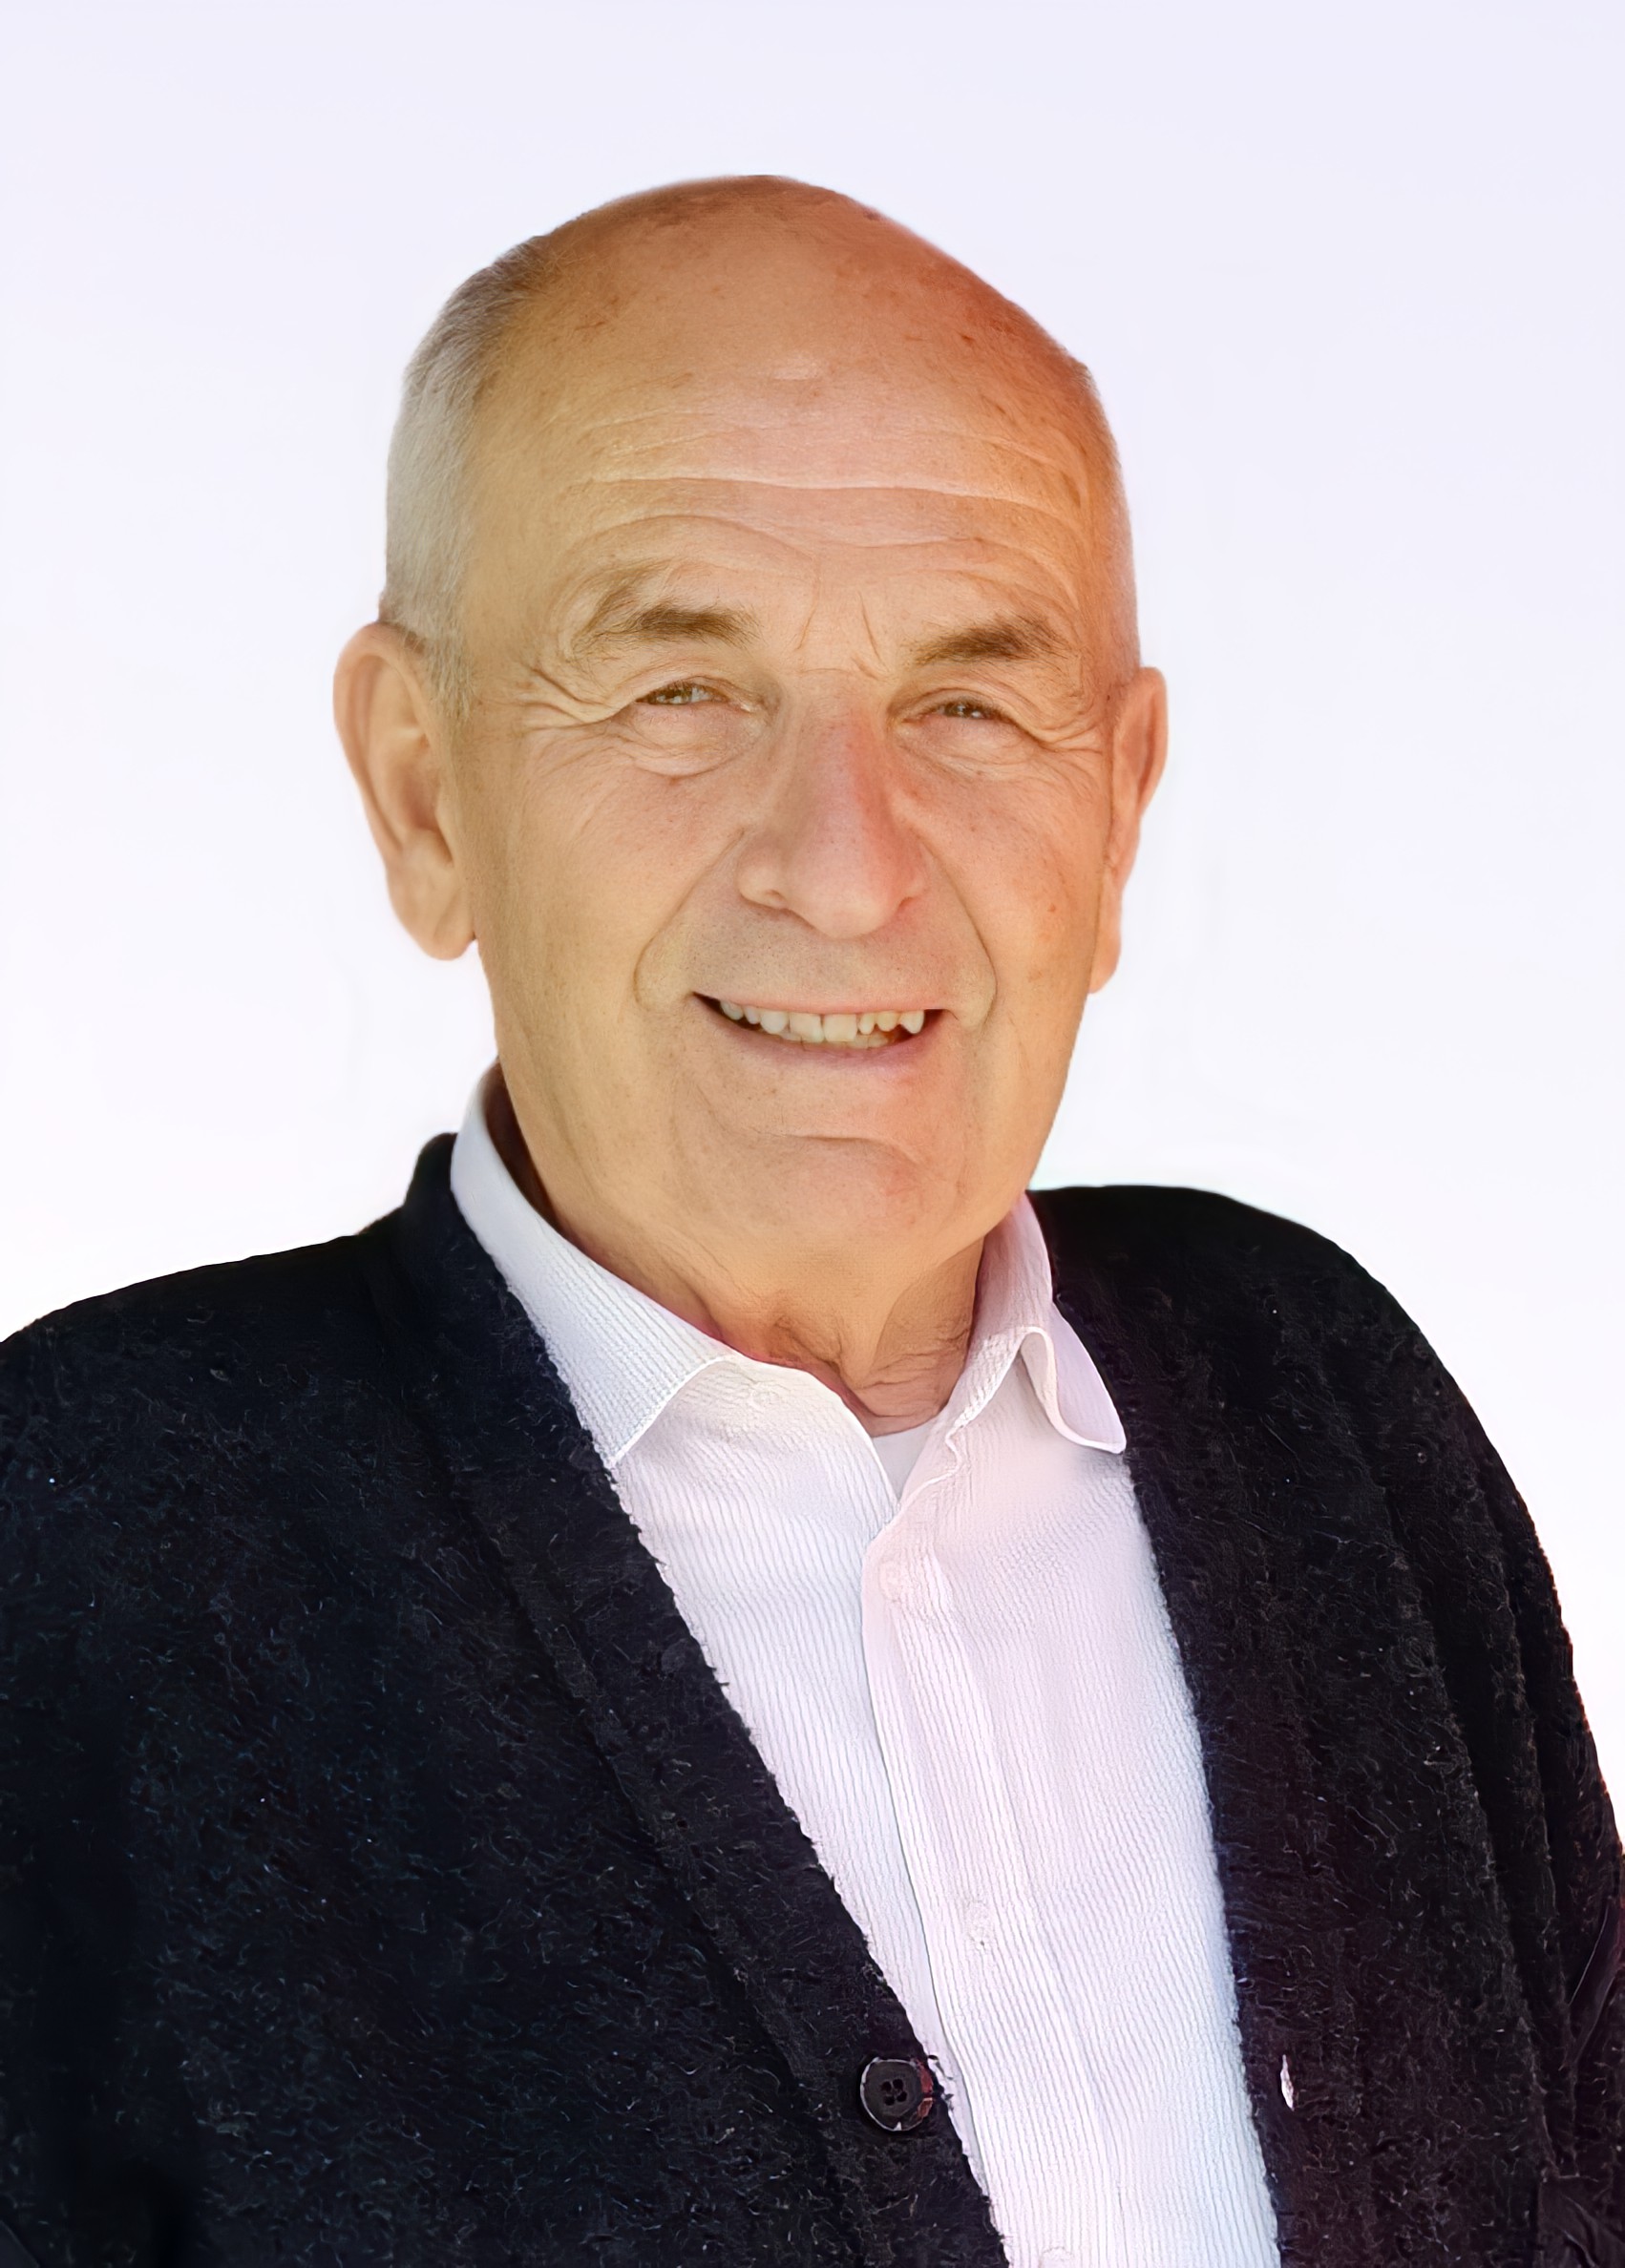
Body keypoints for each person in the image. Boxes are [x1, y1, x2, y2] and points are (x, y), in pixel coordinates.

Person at [0, 176, 1618, 2268]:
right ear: (421, 792)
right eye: (681, 691)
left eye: (967, 705)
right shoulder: (89, 1542)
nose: (846, 869)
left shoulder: (1320, 1407)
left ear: (1118, 809)